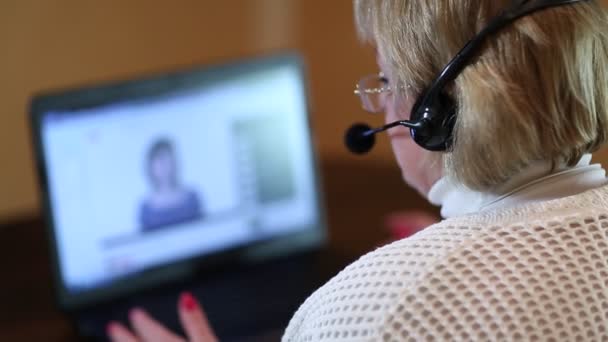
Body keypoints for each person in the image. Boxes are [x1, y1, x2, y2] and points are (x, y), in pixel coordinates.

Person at [109, 0, 608, 340]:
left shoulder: (370, 310)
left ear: (438, 112)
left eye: (387, 79)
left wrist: (434, 273)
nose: (380, 102)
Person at [139, 138, 203, 232]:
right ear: (150, 166)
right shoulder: (146, 210)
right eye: (159, 160)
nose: (164, 165)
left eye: (168, 159)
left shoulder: (192, 198)